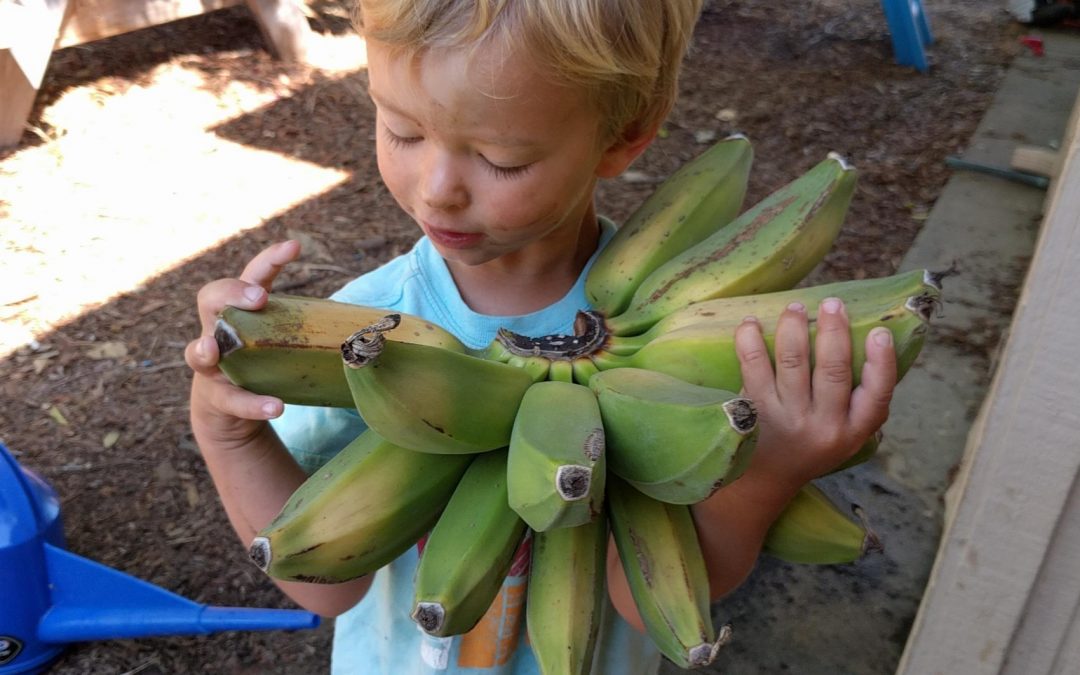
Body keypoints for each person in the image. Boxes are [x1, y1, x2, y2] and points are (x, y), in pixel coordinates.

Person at [184, 0, 899, 672]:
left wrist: (765, 474)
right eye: (401, 129)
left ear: (624, 136)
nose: (436, 188)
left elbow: (643, 601)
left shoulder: (688, 345)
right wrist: (227, 432)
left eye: (501, 159)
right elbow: (326, 586)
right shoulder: (364, 334)